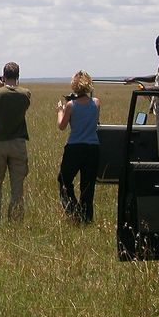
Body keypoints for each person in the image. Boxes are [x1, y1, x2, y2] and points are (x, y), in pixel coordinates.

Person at [0, 62, 31, 224]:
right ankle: (16, 220)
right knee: (17, 187)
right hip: (18, 142)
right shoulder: (26, 93)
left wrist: (0, 87)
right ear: (18, 76)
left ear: (3, 75)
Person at [56, 70, 101, 223]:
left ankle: (74, 211)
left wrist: (60, 111)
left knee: (64, 180)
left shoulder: (70, 105)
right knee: (88, 186)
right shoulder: (96, 103)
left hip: (75, 147)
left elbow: (62, 126)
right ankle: (87, 217)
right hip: (93, 148)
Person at [126, 33, 159, 161]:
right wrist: (136, 79)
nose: (156, 48)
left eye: (156, 45)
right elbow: (156, 78)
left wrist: (149, 89)